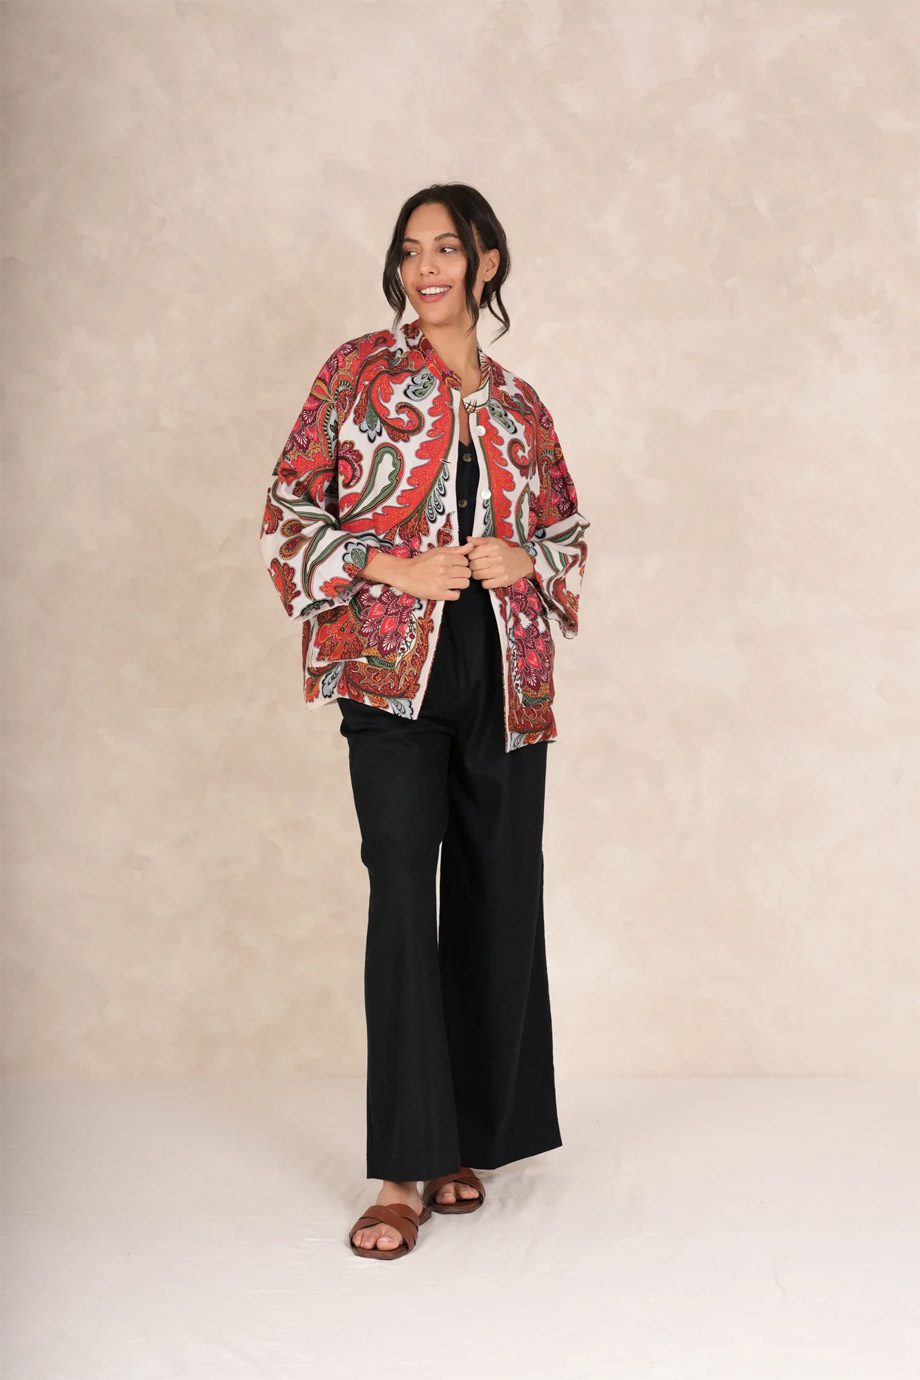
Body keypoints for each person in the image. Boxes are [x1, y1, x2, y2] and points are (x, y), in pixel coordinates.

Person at [259, 183, 590, 1260]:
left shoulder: (522, 405)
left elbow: (568, 534)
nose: (426, 268)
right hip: (390, 676)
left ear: (486, 262)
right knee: (404, 894)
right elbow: (287, 511)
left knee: (497, 898)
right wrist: (392, 566)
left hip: (507, 677)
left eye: (447, 248)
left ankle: (466, 1144)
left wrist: (524, 559)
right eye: (410, 251)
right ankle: (401, 1169)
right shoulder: (357, 373)